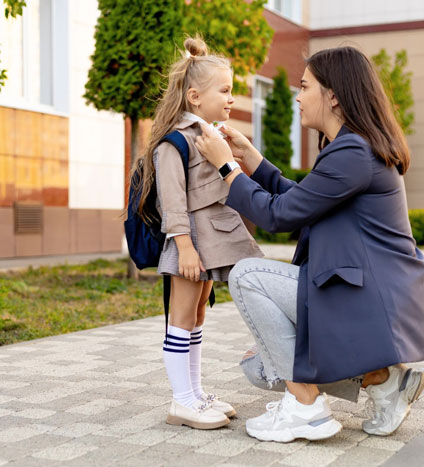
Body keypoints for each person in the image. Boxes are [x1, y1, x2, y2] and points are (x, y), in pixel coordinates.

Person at [195, 46, 424, 442]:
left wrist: (226, 167)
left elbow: (278, 215)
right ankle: (382, 381)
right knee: (259, 367)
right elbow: (301, 202)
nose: (298, 96)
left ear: (333, 95)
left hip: (367, 303)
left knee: (247, 275)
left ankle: (306, 408)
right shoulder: (353, 148)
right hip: (363, 298)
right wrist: (253, 160)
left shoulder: (353, 152)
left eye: (305, 86)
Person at [130, 37, 263, 430]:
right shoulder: (175, 142)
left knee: (199, 313)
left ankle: (196, 392)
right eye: (224, 90)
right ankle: (181, 401)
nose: (231, 99)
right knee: (181, 317)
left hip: (211, 240)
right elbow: (173, 202)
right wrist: (185, 248)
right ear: (194, 96)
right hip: (189, 244)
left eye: (231, 90)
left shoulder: (209, 134)